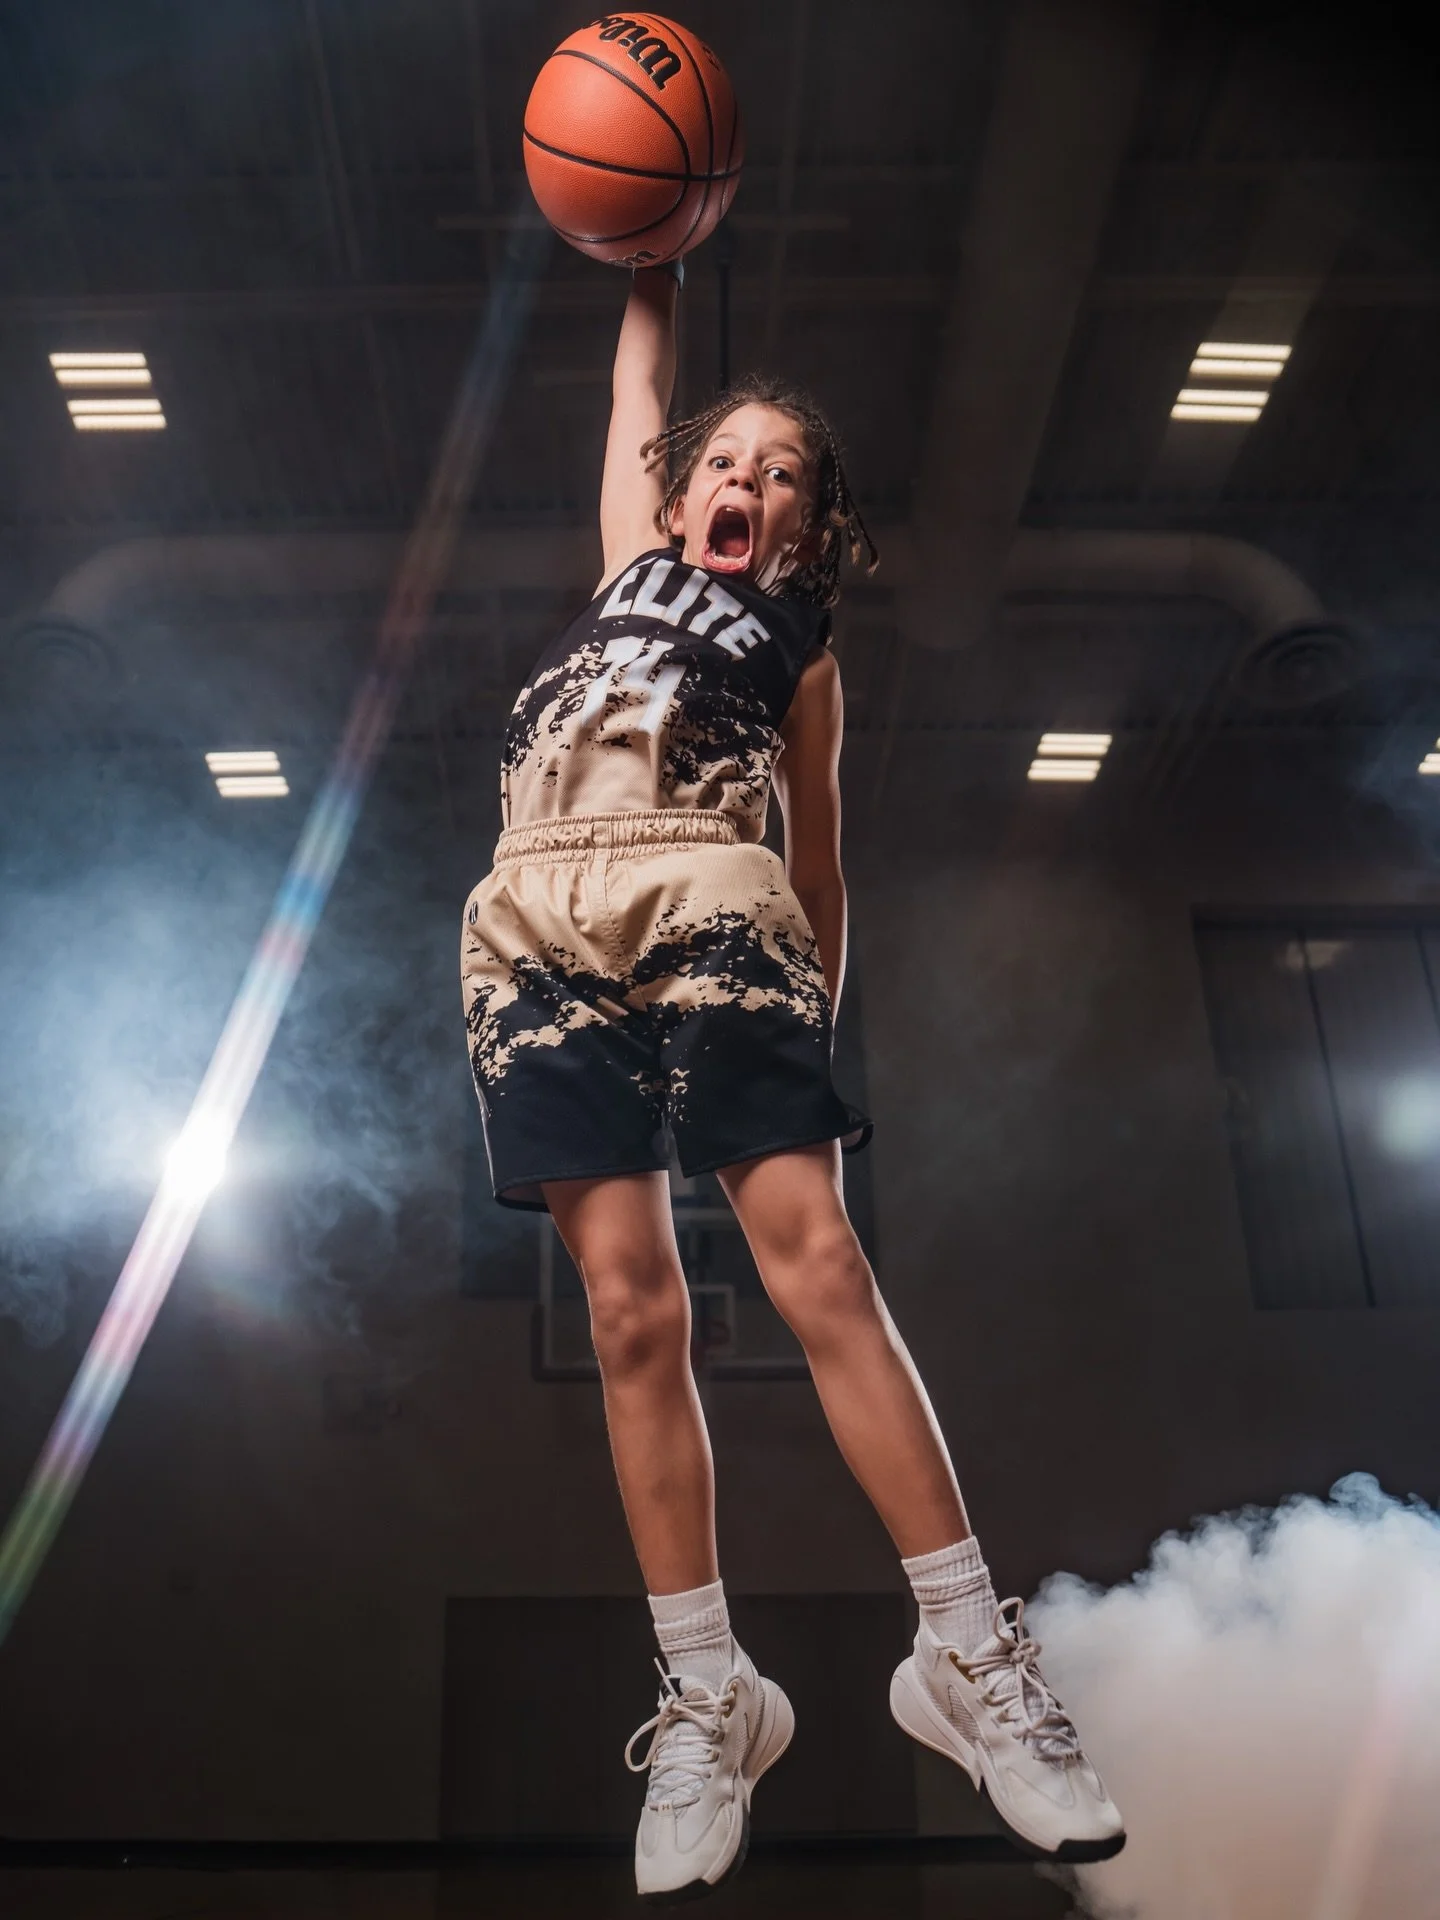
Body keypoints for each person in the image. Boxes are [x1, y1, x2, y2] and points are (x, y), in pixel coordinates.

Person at [460, 263, 1125, 1902]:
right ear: (676, 494)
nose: (742, 478)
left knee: (816, 1261)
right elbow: (637, 397)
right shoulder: (628, 562)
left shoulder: (800, 648)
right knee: (628, 1312)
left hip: (713, 889)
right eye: (722, 460)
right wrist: (655, 261)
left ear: (807, 528)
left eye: (777, 472)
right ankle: (710, 1691)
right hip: (531, 914)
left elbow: (819, 860)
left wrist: (812, 1012)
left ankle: (965, 1655)